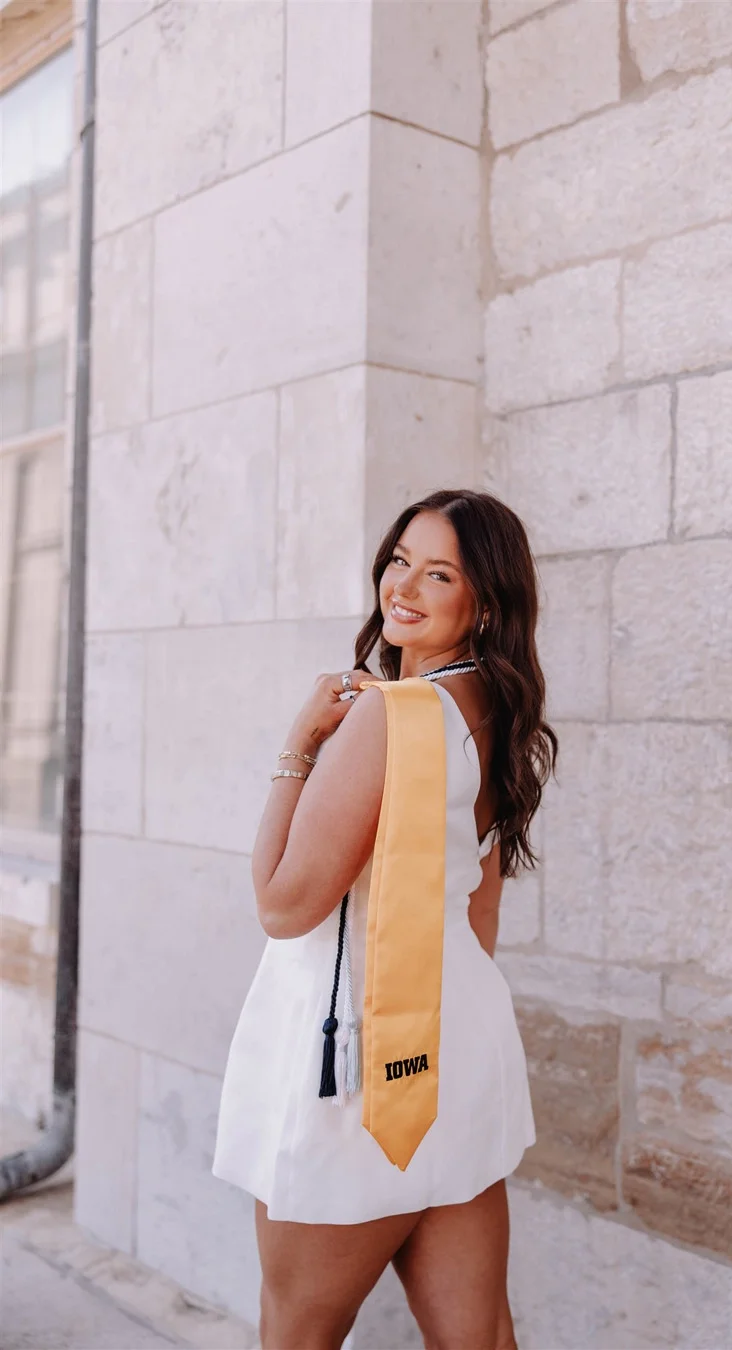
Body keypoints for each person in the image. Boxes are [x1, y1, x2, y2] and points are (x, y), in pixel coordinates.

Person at [212, 488, 557, 1350]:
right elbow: (480, 913)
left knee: (299, 1328)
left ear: (484, 604)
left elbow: (283, 905)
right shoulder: (496, 711)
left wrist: (299, 742)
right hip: (459, 1041)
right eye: (401, 559)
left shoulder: (389, 718)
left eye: (439, 573)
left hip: (363, 1060)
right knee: (476, 1334)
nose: (403, 585)